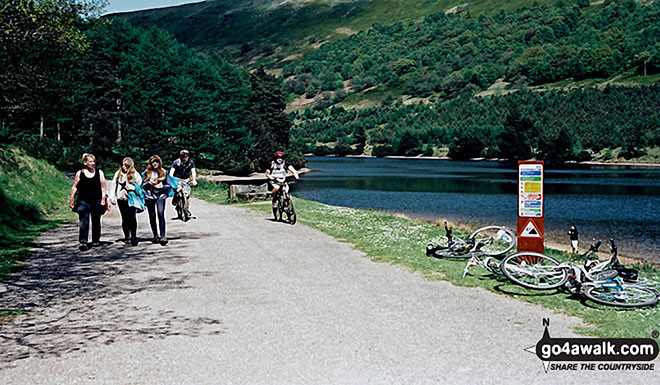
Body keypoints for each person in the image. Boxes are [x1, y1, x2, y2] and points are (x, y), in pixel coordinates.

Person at [69, 153, 107, 251]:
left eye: (94, 161)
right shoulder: (80, 173)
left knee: (96, 220)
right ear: (85, 162)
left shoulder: (99, 172)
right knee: (84, 220)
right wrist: (72, 199)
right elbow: (75, 186)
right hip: (83, 200)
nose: (93, 163)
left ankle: (95, 240)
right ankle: (83, 241)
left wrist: (103, 199)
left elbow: (103, 187)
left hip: (96, 200)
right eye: (90, 161)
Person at [109, 157, 143, 246]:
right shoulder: (118, 173)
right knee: (124, 218)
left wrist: (132, 187)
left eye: (126, 165)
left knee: (132, 216)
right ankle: (127, 236)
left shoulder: (135, 174)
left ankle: (134, 236)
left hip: (132, 199)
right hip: (121, 199)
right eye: (123, 165)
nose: (124, 167)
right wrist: (112, 197)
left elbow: (139, 186)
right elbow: (113, 185)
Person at [142, 155, 171, 246]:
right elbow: (141, 185)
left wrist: (162, 186)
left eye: (157, 162)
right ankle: (155, 235)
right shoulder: (146, 172)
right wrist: (148, 183)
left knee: (161, 214)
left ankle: (163, 236)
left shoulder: (164, 172)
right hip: (149, 196)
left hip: (161, 196)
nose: (155, 164)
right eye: (153, 162)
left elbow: (169, 185)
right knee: (152, 215)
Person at [169, 149, 197, 217]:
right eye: (184, 156)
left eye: (187, 156)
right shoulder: (176, 162)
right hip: (177, 179)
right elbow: (171, 172)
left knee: (187, 195)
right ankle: (175, 200)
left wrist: (194, 180)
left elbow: (193, 171)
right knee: (177, 190)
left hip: (186, 179)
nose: (186, 158)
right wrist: (171, 180)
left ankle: (186, 209)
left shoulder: (190, 162)